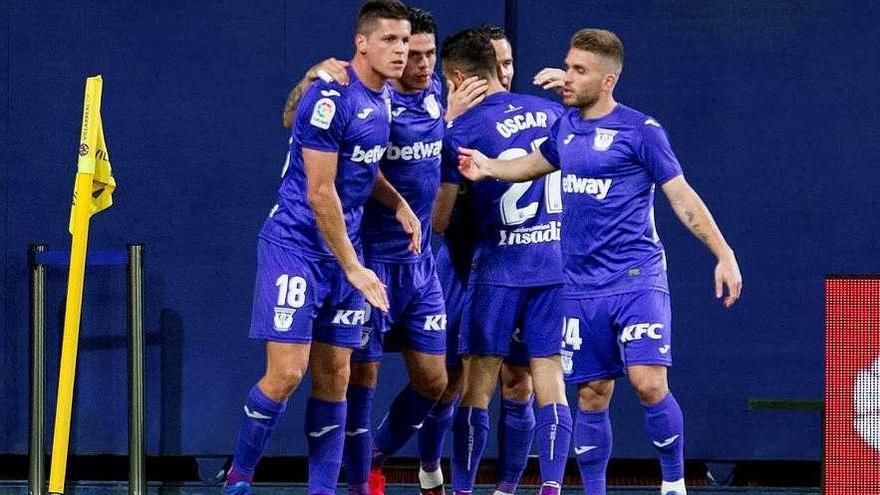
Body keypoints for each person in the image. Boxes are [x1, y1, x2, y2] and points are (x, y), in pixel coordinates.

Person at [457, 28, 743, 495]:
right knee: (591, 395)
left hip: (636, 279)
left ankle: (674, 485)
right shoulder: (565, 127)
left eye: (579, 70)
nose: (566, 77)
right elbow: (534, 162)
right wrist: (489, 167)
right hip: (579, 287)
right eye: (568, 65)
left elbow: (681, 196)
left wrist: (723, 252)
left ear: (607, 81)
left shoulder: (641, 131)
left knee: (648, 383)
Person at [223, 2, 412, 495]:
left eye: (405, 40)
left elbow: (363, 167)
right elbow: (319, 191)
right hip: (297, 248)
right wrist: (354, 267)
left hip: (343, 256)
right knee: (287, 373)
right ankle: (239, 477)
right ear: (362, 43)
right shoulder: (330, 95)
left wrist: (398, 204)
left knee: (336, 376)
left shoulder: (385, 96)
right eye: (389, 40)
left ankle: (322, 490)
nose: (401, 50)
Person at [437, 27, 572, 495]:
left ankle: (462, 490)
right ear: (497, 68)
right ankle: (548, 487)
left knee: (477, 383)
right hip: (553, 265)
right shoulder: (554, 113)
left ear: (456, 78)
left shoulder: (461, 131)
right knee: (548, 377)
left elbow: (437, 220)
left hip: (496, 268)